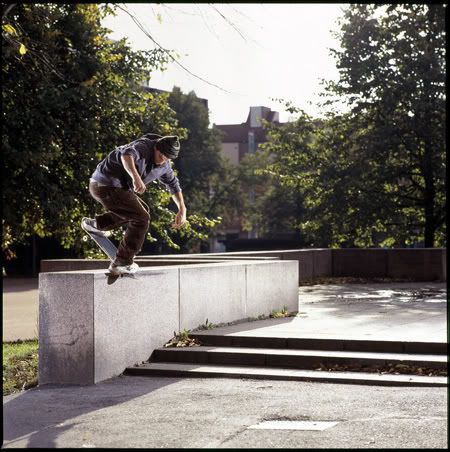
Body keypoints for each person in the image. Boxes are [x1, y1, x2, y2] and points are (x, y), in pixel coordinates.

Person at [82, 133, 187, 275]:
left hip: (117, 188)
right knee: (141, 217)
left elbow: (174, 185)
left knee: (140, 211)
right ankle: (122, 262)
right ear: (156, 147)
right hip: (104, 184)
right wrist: (136, 177)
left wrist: (182, 208)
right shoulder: (144, 146)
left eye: (167, 159)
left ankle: (95, 225)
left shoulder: (165, 165)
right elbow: (126, 155)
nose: (162, 161)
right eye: (161, 156)